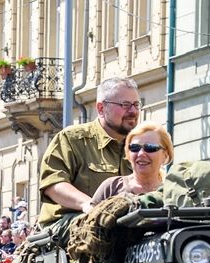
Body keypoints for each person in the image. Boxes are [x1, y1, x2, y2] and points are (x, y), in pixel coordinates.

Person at [38, 77, 139, 225]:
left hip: (122, 225)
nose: (133, 111)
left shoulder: (140, 146)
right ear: (101, 108)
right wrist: (90, 206)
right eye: (125, 105)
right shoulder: (73, 139)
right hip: (70, 225)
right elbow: (53, 185)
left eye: (136, 105)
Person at [90, 121, 172, 204]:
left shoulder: (171, 194)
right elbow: (92, 216)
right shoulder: (111, 187)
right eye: (135, 147)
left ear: (165, 155)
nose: (141, 153)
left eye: (150, 147)